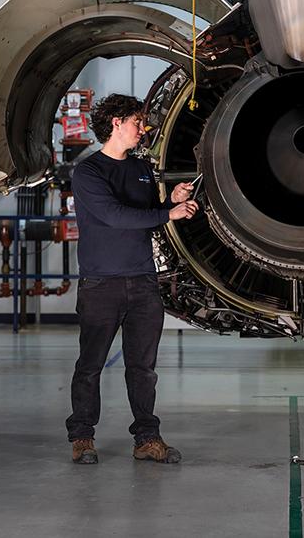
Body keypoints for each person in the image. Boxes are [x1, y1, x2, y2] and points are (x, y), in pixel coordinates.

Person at [65, 93, 199, 465]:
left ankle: (147, 438)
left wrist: (170, 201)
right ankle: (82, 437)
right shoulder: (89, 173)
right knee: (90, 365)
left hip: (141, 280)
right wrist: (167, 213)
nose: (143, 129)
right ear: (116, 124)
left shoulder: (140, 169)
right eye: (137, 122)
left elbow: (146, 213)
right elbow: (116, 216)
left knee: (143, 368)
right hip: (101, 283)